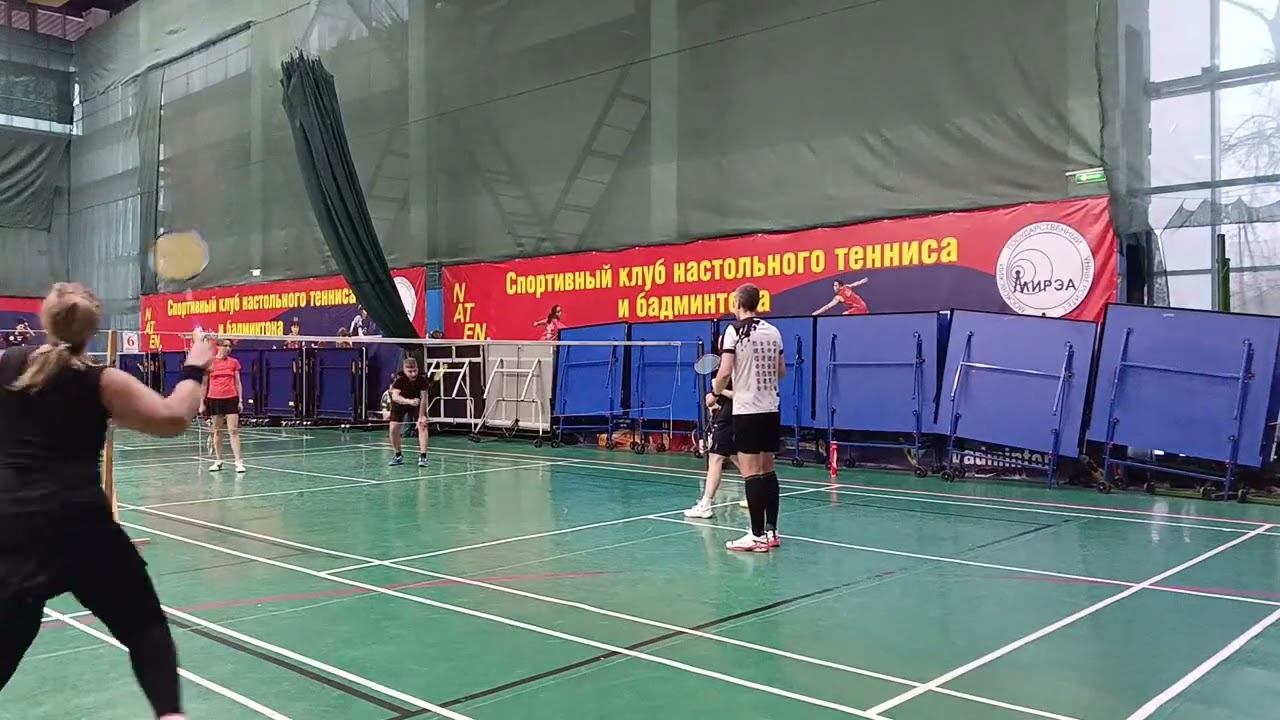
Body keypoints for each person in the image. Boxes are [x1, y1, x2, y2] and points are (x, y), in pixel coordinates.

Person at [0, 282, 214, 720]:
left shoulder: (5, 363)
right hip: (82, 527)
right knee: (144, 627)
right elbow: (173, 418)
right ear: (92, 329)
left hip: (11, 528)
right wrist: (195, 366)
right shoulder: (103, 381)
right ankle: (171, 714)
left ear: (44, 319)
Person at [714, 283, 785, 552]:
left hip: (747, 411)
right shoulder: (774, 331)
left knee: (751, 473)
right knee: (768, 470)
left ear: (738, 303)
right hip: (771, 409)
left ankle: (756, 536)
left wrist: (716, 391)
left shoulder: (733, 331)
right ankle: (772, 531)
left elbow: (724, 371)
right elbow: (781, 370)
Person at [684, 381, 738, 518]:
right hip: (738, 415)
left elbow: (739, 395)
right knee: (737, 457)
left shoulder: (733, 372)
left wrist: (717, 391)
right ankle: (758, 494)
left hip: (729, 418)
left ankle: (706, 505)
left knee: (715, 458)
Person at [200, 339, 245, 474]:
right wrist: (201, 403)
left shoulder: (234, 363)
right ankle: (219, 461)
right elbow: (204, 384)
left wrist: (240, 400)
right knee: (217, 431)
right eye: (225, 346)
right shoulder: (210, 363)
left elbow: (238, 382)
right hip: (215, 399)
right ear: (218, 346)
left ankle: (238, 462)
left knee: (233, 430)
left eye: (230, 346)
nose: (228, 348)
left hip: (231, 398)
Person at [388, 356, 430, 467]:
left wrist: (421, 416)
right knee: (393, 428)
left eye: (415, 370)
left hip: (417, 403)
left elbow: (424, 398)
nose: (413, 374)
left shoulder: (422, 380)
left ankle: (423, 457)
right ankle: (398, 455)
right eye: (410, 371)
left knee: (423, 424)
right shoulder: (399, 380)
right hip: (400, 403)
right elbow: (395, 397)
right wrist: (409, 401)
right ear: (404, 369)